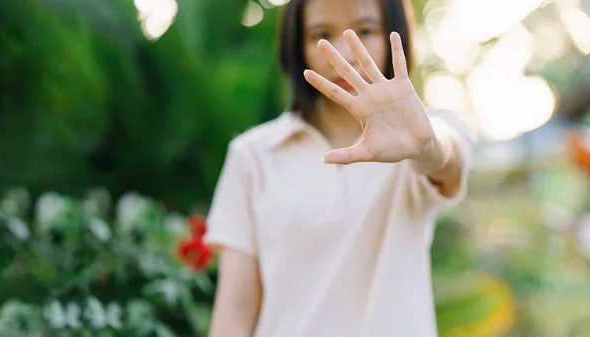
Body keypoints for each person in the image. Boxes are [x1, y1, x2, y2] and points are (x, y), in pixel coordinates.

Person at [204, 0, 476, 336]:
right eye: (321, 35)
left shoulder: (423, 134)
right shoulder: (253, 155)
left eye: (365, 30)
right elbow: (235, 308)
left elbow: (447, 158)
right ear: (296, 46)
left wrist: (426, 143)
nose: (346, 53)